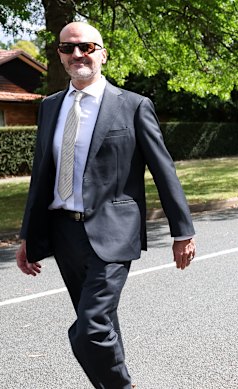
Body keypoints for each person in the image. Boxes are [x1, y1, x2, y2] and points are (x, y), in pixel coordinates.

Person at [15, 22, 196, 388]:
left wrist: (183, 231)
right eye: (68, 48)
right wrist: (27, 237)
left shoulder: (132, 106)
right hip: (64, 232)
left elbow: (164, 171)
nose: (77, 54)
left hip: (113, 232)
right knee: (104, 326)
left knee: (90, 329)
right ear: (60, 55)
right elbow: (41, 176)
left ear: (103, 53)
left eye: (86, 47)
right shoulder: (50, 107)